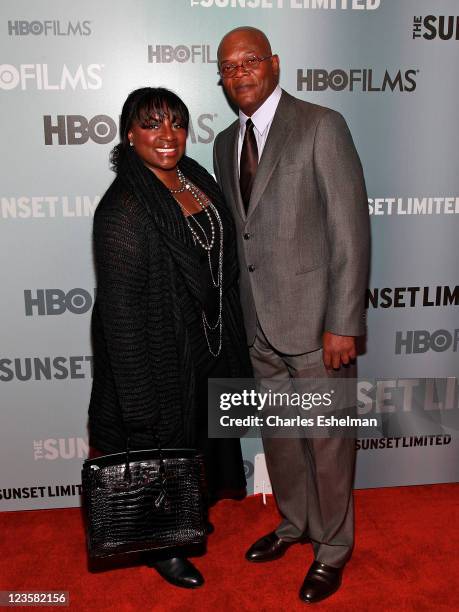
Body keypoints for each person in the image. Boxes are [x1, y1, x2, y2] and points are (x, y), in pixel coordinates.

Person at [213, 27, 370, 603]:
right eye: (228, 67)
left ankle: (333, 548)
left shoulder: (321, 125)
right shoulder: (225, 141)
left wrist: (344, 323)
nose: (241, 73)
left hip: (317, 325)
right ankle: (295, 523)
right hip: (260, 325)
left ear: (274, 64)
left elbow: (349, 231)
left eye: (251, 60)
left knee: (328, 442)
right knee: (281, 437)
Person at [88, 87, 251, 589]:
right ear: (129, 134)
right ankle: (165, 547)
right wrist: (139, 406)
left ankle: (190, 512)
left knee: (198, 443)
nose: (166, 136)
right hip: (159, 358)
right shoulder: (123, 209)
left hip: (206, 344)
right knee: (163, 446)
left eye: (176, 124)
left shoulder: (194, 177)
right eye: (152, 124)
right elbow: (120, 317)